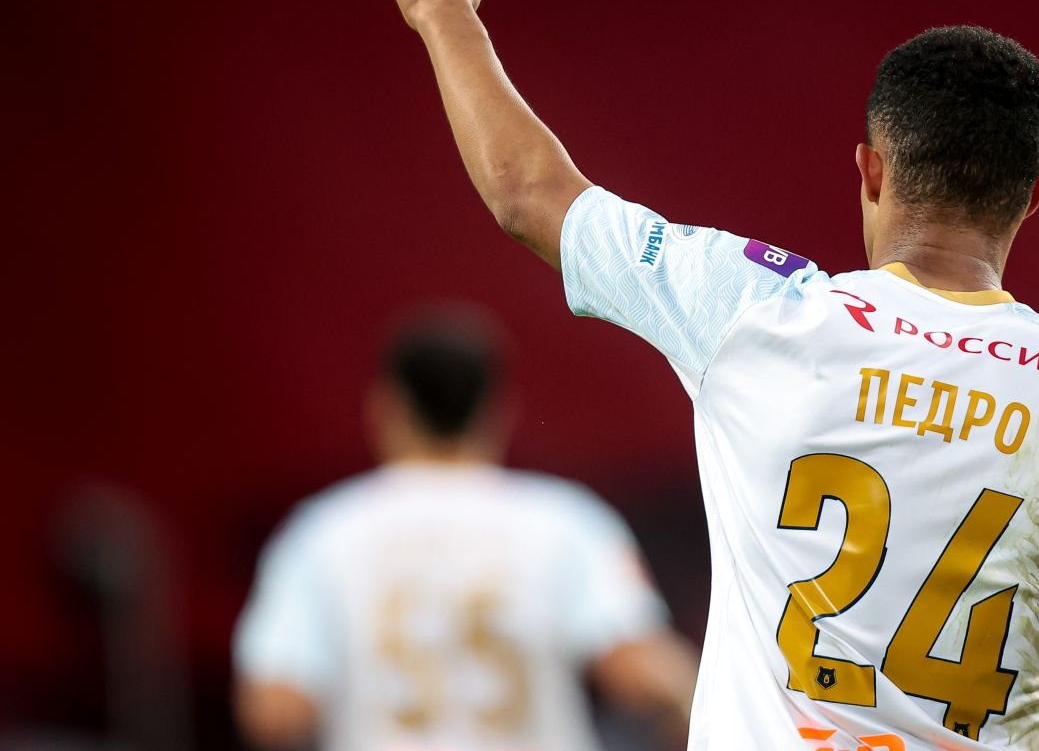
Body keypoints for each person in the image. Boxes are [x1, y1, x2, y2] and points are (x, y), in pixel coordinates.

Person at [381, 0, 1039, 750]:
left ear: (871, 168)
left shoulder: (756, 310)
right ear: (1034, 196)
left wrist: (442, 7)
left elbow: (529, 195)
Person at [233, 308, 698, 751]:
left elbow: (275, 708)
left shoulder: (322, 532)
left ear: (386, 407)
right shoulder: (564, 520)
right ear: (497, 409)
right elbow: (641, 671)